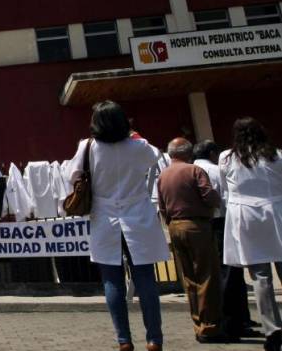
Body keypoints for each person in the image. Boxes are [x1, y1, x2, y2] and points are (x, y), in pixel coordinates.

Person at [67, 101, 168, 351]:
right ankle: (154, 338)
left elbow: (71, 174)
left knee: (112, 280)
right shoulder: (139, 146)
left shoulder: (88, 147)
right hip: (137, 215)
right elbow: (155, 156)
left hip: (105, 216)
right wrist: (133, 134)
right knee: (145, 278)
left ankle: (124, 339)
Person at [158, 138, 230, 343]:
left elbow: (162, 206)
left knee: (188, 278)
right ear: (188, 153)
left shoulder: (163, 175)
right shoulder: (194, 171)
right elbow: (209, 195)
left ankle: (198, 322)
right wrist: (215, 204)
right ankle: (210, 326)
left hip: (175, 226)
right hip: (197, 225)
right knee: (207, 275)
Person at [219, 117, 282, 351]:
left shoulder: (227, 158)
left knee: (260, 276)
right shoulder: (276, 155)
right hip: (276, 210)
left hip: (246, 215)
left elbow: (226, 189)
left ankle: (272, 328)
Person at [194, 140, 259, 338]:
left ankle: (218, 318)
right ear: (213, 153)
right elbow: (227, 196)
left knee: (207, 273)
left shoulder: (189, 169)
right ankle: (235, 320)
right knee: (231, 272)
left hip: (201, 225)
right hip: (222, 222)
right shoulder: (215, 170)